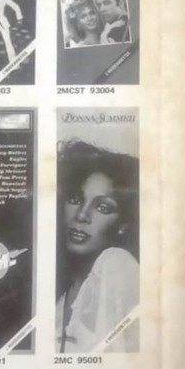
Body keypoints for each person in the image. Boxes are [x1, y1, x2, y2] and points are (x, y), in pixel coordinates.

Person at [56, 140, 139, 353]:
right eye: (76, 199)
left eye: (102, 207)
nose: (82, 215)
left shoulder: (117, 264)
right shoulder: (56, 288)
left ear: (123, 225)